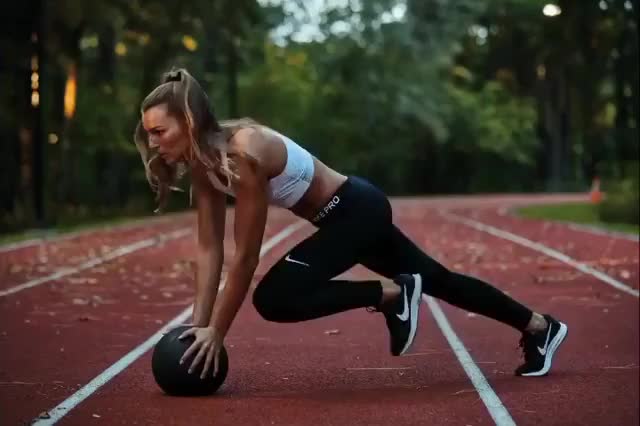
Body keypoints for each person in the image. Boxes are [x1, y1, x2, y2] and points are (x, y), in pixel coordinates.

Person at [134, 68, 568, 381]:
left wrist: (218, 332)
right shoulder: (204, 166)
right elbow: (210, 250)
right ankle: (539, 327)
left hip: (356, 208)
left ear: (188, 122)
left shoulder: (242, 154)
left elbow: (245, 255)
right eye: (149, 133)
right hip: (345, 219)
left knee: (275, 298)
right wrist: (199, 325)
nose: (153, 143)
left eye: (159, 131)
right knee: (439, 280)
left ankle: (391, 295)